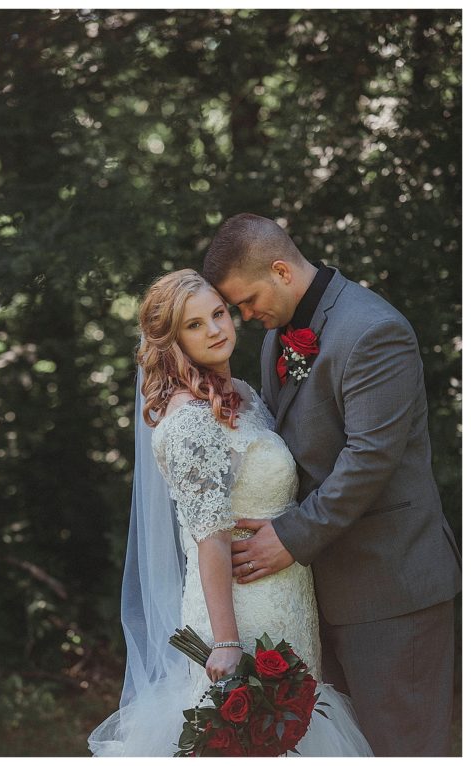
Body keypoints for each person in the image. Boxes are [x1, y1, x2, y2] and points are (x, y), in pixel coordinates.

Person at [201, 213, 460, 756]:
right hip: (319, 595)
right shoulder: (279, 337)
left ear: (280, 270)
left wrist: (290, 537)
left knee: (405, 749)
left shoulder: (372, 330)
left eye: (246, 301)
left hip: (392, 592)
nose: (244, 317)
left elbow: (369, 458)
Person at [89, 269, 371, 756]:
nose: (215, 329)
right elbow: (210, 537)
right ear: (173, 341)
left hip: (286, 595)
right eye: (194, 325)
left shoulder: (242, 392)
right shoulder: (188, 421)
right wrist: (225, 642)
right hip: (238, 610)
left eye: (218, 314)